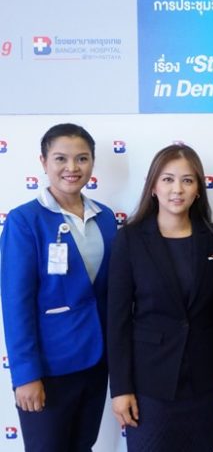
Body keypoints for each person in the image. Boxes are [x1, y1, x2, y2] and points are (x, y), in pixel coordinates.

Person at [107, 143, 213, 452]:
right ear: (153, 186)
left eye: (187, 180)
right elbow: (118, 320)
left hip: (202, 380)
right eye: (168, 179)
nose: (178, 189)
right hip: (149, 384)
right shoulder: (130, 238)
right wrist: (120, 388)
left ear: (198, 189)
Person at [0, 123, 116, 451]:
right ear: (43, 161)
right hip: (49, 368)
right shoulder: (25, 220)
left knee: (83, 446)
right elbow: (16, 304)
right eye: (61, 158)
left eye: (82, 158)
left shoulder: (105, 217)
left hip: (96, 361)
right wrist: (25, 375)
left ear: (92, 162)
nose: (72, 168)